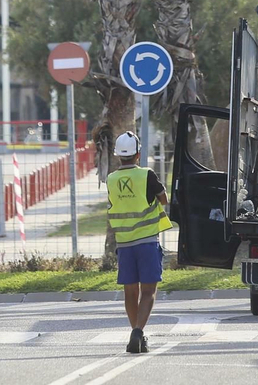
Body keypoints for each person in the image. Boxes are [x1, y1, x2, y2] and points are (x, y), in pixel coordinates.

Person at [106, 131, 171, 354]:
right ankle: (138, 331)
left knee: (130, 292)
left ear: (118, 156)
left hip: (124, 244)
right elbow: (164, 199)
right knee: (149, 292)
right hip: (147, 242)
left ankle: (136, 332)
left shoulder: (111, 179)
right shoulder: (147, 175)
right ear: (138, 154)